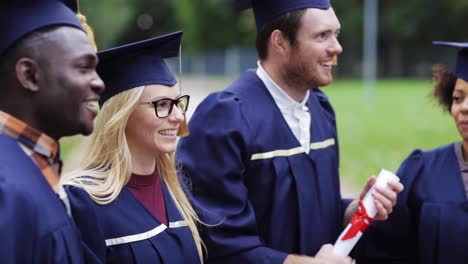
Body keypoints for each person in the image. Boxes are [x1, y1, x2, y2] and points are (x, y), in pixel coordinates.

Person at [176, 0, 403, 263]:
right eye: (322, 36)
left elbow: (304, 209)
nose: (337, 47)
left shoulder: (320, 109)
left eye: (336, 34)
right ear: (280, 42)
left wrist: (350, 212)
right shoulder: (225, 117)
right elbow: (220, 241)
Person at [62, 31, 204, 264]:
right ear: (122, 114)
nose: (178, 116)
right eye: (162, 105)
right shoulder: (84, 201)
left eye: (178, 103)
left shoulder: (176, 188)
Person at [0, 1, 105, 263]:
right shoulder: (6, 190)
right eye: (84, 67)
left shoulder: (34, 167)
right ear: (30, 75)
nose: (99, 83)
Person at [354, 42, 468, 264]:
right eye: (457, 98)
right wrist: (363, 210)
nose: (464, 107)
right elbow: (380, 249)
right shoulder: (421, 172)